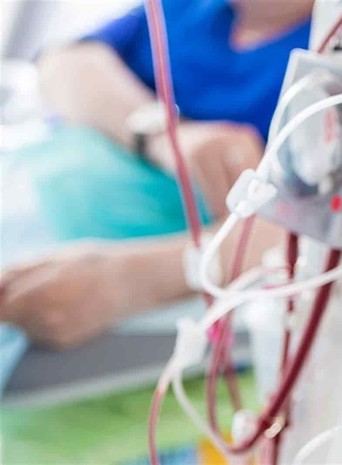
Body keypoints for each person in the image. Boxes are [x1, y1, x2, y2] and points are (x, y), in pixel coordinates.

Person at [0, 0, 315, 348]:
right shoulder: (192, 8)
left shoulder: (330, 54)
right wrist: (164, 134)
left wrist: (130, 281)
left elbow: (313, 231)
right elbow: (64, 63)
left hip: (109, 263)